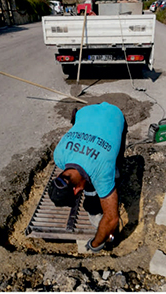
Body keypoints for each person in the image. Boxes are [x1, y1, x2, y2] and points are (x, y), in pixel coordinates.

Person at [47, 102, 128, 253]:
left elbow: (112, 219)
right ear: (59, 175)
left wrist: (95, 244)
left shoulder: (102, 171)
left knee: (115, 166)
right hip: (86, 111)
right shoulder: (59, 155)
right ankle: (93, 196)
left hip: (114, 114)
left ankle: (114, 179)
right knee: (89, 179)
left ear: (77, 190)